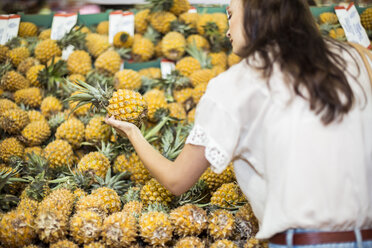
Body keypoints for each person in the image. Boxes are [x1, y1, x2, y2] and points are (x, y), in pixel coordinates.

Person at [105, 0, 372, 247]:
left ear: (257, 13)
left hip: (305, 240)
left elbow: (176, 181)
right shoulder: (360, 58)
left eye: (230, 14)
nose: (226, 29)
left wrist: (133, 132)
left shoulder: (237, 83)